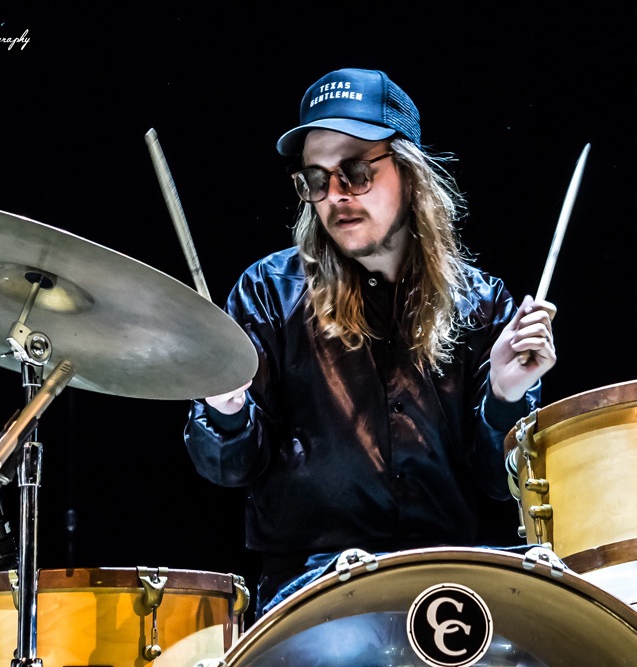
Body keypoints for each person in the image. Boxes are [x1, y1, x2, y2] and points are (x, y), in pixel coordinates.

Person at [184, 67, 557, 618]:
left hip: (448, 585)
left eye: (356, 172)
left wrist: (504, 399)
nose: (334, 196)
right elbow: (229, 469)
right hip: (309, 591)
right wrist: (227, 407)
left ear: (409, 174)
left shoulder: (480, 303)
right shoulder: (267, 292)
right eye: (315, 180)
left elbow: (499, 487)